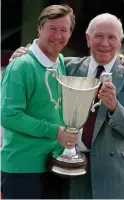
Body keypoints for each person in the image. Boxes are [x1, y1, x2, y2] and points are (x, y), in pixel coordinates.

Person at [10, 13, 124, 199]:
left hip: (114, 177)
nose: (105, 43)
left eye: (112, 37)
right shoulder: (66, 67)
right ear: (88, 38)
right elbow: (40, 58)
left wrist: (115, 107)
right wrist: (23, 53)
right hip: (69, 171)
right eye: (98, 36)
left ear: (121, 40)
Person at [1, 4, 77, 199]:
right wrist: (54, 131)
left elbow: (90, 62)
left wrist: (118, 58)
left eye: (64, 30)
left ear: (70, 33)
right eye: (52, 29)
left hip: (53, 165)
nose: (58, 36)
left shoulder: (59, 60)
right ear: (39, 28)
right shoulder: (21, 65)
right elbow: (8, 116)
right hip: (23, 169)